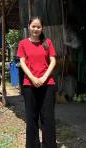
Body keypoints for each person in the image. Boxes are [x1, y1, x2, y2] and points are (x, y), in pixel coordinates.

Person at [17, 17, 57, 148]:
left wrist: (44, 77)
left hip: (48, 85)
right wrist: (33, 78)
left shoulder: (47, 42)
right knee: (31, 118)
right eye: (33, 26)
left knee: (48, 118)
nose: (36, 29)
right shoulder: (23, 43)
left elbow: (53, 61)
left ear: (42, 28)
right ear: (29, 27)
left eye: (38, 27)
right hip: (29, 85)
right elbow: (22, 62)